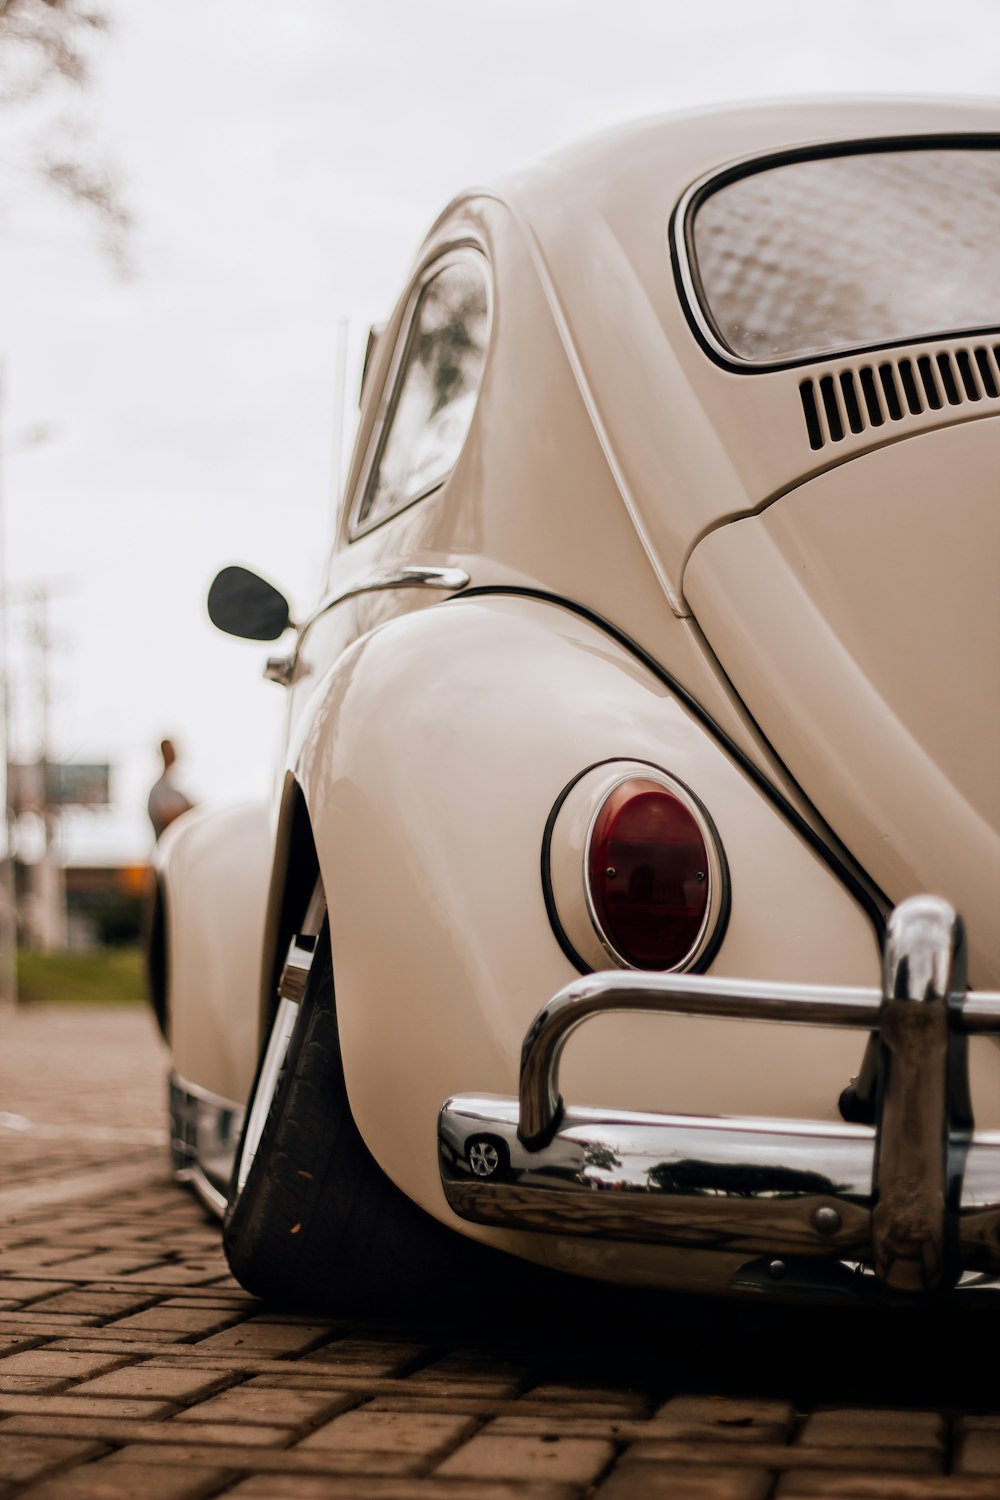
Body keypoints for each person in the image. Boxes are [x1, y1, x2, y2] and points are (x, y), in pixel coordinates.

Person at [147, 738, 195, 841]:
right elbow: (169, 818)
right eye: (169, 750)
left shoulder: (175, 786)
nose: (173, 753)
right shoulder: (159, 789)